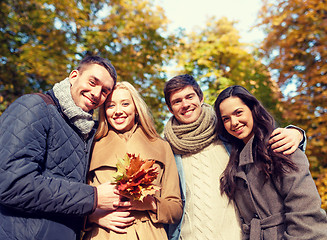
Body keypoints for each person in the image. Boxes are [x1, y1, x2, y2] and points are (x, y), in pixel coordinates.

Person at [0, 56, 131, 240]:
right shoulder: (34, 107)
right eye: (92, 82)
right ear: (73, 76)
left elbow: (62, 196)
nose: (96, 93)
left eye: (104, 92)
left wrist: (90, 215)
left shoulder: (85, 131)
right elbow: (10, 184)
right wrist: (92, 198)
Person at [163, 74, 306, 240]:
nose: (185, 104)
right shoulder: (167, 148)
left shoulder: (226, 132)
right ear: (170, 108)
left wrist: (297, 133)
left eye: (189, 96)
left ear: (200, 98)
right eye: (177, 101)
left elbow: (263, 137)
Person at [214, 85, 327, 239]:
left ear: (253, 109)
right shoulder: (233, 159)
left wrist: (297, 133)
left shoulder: (280, 145)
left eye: (238, 112)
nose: (233, 122)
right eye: (226, 119)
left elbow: (304, 213)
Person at [82, 81, 182, 240]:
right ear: (104, 112)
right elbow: (75, 200)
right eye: (110, 106)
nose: (118, 111)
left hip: (150, 234)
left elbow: (176, 209)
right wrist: (94, 217)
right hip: (102, 234)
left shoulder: (161, 146)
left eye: (125, 103)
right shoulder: (90, 146)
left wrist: (150, 204)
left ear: (136, 108)